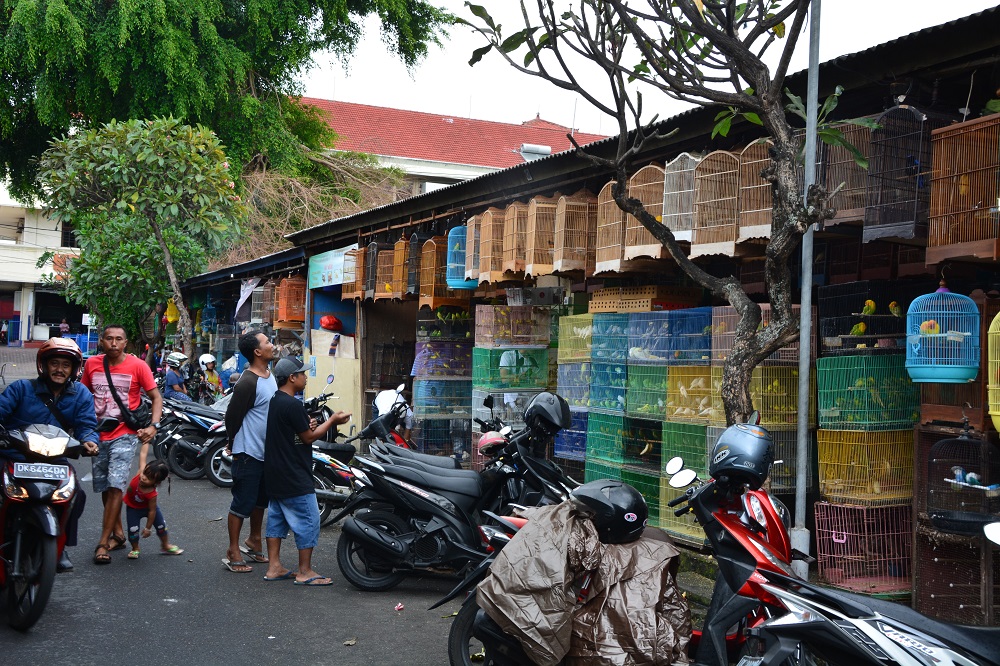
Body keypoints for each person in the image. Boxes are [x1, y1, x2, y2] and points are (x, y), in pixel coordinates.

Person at [0, 338, 99, 572]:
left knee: (76, 495)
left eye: (65, 365)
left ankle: (59, 544)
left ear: (74, 369)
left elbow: (87, 425)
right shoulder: (21, 389)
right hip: (14, 455)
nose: (59, 369)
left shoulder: (81, 395)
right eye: (54, 363)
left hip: (53, 459)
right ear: (43, 365)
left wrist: (89, 441)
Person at [262, 358, 350, 585]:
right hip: (293, 472)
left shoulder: (276, 400)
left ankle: (274, 567)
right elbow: (309, 437)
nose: (305, 377)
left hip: (275, 471)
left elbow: (297, 432)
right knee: (309, 519)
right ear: (292, 378)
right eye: (302, 373)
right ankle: (305, 571)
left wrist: (308, 426)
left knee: (277, 518)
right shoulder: (292, 405)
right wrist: (332, 420)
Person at [81, 324, 163, 565]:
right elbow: (82, 397)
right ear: (102, 341)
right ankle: (118, 534)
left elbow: (156, 397)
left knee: (116, 485)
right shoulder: (92, 364)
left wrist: (153, 426)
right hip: (98, 435)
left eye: (119, 339)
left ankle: (102, 543)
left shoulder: (138, 366)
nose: (114, 343)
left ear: (125, 343)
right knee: (106, 488)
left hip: (125, 434)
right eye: (109, 338)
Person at [222, 332, 277, 573]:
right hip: (247, 452)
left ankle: (254, 541)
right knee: (242, 502)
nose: (272, 345)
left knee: (260, 500)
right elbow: (232, 416)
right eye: (267, 342)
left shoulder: (269, 375)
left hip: (266, 452)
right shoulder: (247, 382)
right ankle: (233, 549)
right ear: (257, 351)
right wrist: (233, 442)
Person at [123, 459, 184, 559]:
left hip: (149, 509)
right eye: (144, 473)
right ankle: (135, 548)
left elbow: (152, 511)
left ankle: (165, 545)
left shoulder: (152, 494)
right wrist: (144, 448)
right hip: (133, 509)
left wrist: (148, 528)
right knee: (133, 530)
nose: (143, 477)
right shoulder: (140, 474)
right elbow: (142, 457)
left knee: (161, 526)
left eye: (149, 478)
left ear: (156, 482)